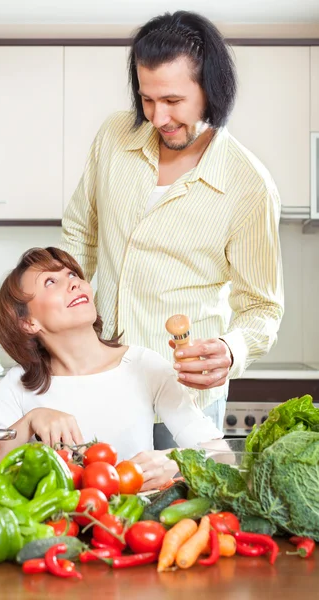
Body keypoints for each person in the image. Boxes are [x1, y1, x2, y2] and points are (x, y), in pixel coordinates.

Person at [60, 10, 284, 434]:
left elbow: (262, 306)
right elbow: (80, 232)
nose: (158, 118)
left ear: (210, 90)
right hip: (96, 384)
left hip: (181, 402)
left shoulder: (248, 185)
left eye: (173, 101)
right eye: (147, 99)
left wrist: (230, 350)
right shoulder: (114, 136)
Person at [0, 246, 222, 491]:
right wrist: (30, 421)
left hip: (136, 521)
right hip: (60, 523)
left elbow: (220, 453)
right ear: (28, 322)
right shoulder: (17, 384)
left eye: (72, 274)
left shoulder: (142, 365)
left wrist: (174, 461)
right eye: (50, 281)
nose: (74, 283)